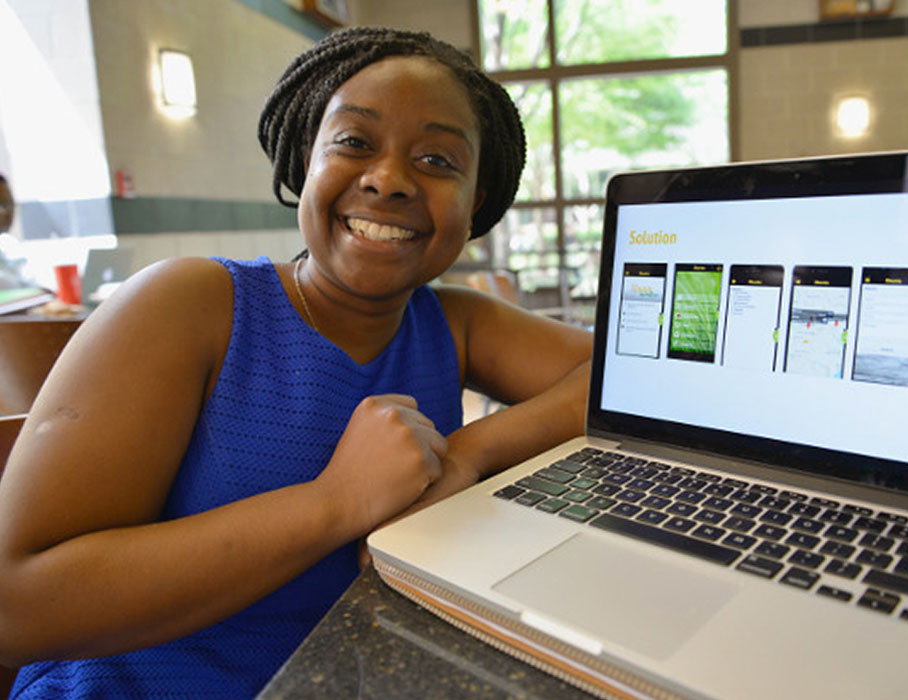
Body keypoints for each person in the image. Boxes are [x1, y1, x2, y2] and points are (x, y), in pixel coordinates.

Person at [0, 26, 592, 698]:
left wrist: (471, 452)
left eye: (438, 160)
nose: (390, 179)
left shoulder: (452, 323)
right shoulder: (194, 304)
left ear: (476, 202)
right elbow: (17, 607)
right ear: (303, 161)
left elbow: (629, 381)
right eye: (354, 142)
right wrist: (334, 502)